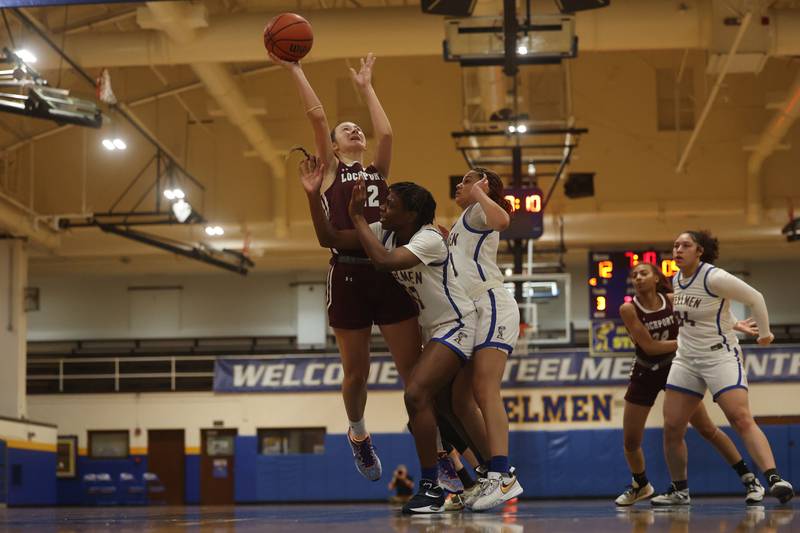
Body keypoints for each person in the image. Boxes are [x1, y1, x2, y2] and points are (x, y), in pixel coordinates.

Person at [273, 51, 420, 481]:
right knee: (357, 374)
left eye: (357, 128)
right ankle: (358, 434)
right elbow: (318, 119)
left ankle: (439, 451)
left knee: (413, 372)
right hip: (349, 272)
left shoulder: (377, 171)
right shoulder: (333, 172)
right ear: (334, 148)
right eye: (346, 130)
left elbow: (387, 133)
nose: (356, 130)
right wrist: (295, 69)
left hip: (387, 269)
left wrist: (367, 88)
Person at [656, 230, 794, 505]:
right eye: (675, 245)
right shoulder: (677, 279)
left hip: (719, 357)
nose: (678, 250)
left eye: (685, 245)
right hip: (686, 359)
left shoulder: (714, 276)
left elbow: (756, 298)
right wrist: (734, 322)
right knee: (672, 426)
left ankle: (774, 478)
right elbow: (709, 308)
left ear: (700, 251)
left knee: (740, 418)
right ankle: (679, 490)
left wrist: (764, 333)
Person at [615, 262, 764, 506]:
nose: (638, 278)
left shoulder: (673, 300)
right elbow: (650, 347)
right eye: (634, 275)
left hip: (676, 368)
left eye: (643, 273)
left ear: (656, 278)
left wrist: (735, 325)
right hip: (645, 371)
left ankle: (748, 478)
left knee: (707, 429)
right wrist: (688, 341)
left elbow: (708, 313)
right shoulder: (628, 309)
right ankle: (641, 484)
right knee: (630, 441)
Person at [446, 168, 523, 511]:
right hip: (472, 312)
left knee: (484, 389)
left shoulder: (480, 209)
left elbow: (504, 220)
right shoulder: (463, 221)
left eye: (466, 180)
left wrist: (480, 193)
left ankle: (502, 475)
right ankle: (489, 472)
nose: (459, 185)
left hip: (491, 304)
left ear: (483, 185)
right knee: (460, 401)